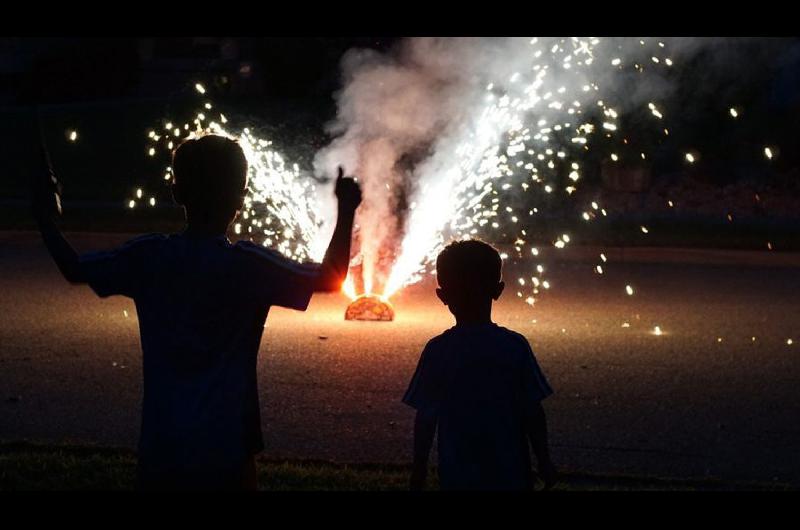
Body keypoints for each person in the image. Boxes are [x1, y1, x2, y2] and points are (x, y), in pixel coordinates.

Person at [32, 134, 362, 490]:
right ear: (241, 196)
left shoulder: (149, 256)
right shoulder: (250, 265)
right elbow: (332, 277)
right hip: (228, 446)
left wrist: (45, 219)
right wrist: (346, 210)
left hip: (163, 442)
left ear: (177, 193)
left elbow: (74, 268)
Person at [402, 239, 557, 491]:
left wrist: (418, 469)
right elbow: (532, 410)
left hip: (457, 471)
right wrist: (544, 460)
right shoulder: (514, 346)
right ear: (498, 290)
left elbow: (426, 416)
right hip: (510, 471)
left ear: (442, 296)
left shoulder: (438, 350)